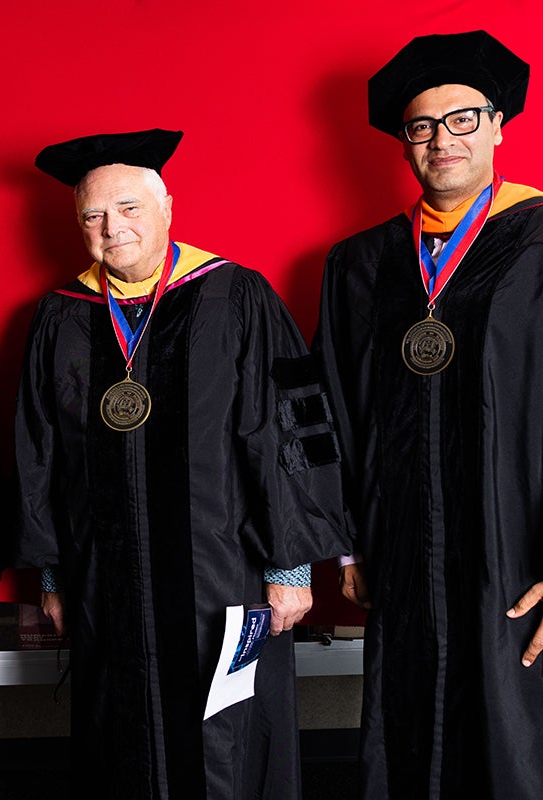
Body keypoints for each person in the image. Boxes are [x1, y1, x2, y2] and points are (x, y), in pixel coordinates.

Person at [13, 129, 349, 798]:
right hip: (105, 584)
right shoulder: (61, 318)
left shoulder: (236, 297)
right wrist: (53, 572)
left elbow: (288, 429)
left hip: (227, 581)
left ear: (168, 205)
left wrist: (289, 565)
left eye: (130, 208)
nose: (113, 228)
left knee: (228, 733)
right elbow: (40, 452)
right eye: (93, 215)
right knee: (119, 738)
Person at [314, 30, 543, 799]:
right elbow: (330, 409)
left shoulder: (540, 240)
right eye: (422, 126)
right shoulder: (360, 265)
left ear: (500, 123)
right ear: (404, 142)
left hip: (517, 557)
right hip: (399, 556)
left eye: (463, 119)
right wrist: (348, 546)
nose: (443, 140)